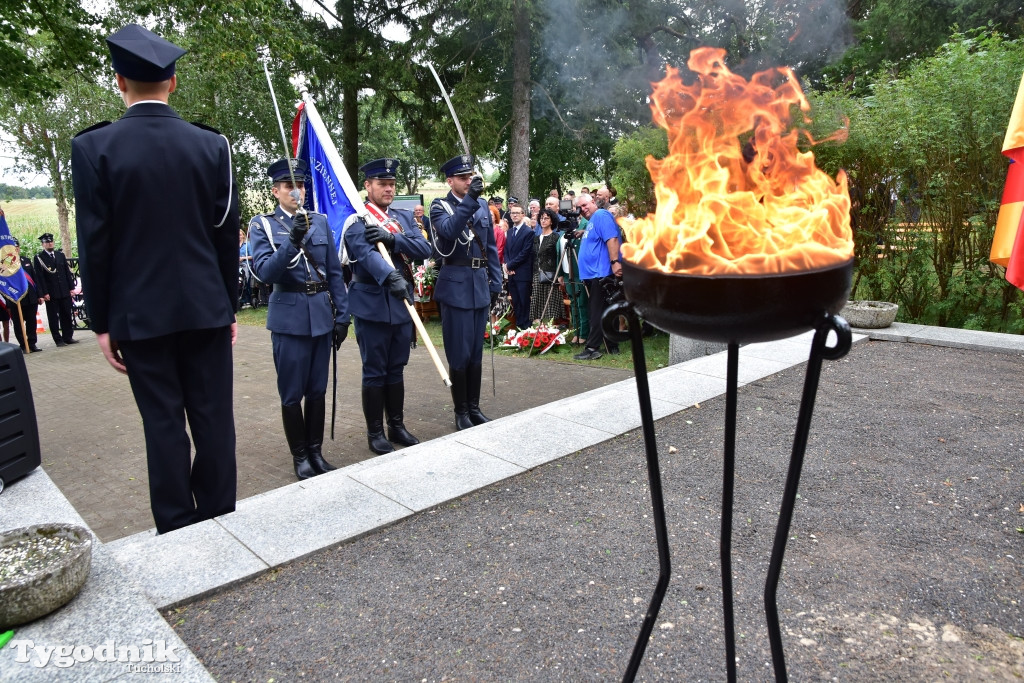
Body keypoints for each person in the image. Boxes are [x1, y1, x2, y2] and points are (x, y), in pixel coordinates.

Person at [71, 24, 239, 534]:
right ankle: (218, 519)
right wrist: (228, 305)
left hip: (138, 314)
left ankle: (176, 528)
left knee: (163, 422)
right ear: (173, 81)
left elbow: (94, 242)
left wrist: (101, 321)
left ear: (119, 81)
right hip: (206, 309)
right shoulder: (212, 146)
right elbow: (224, 237)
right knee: (213, 421)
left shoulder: (94, 148)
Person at [249, 157, 350, 480]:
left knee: (317, 389)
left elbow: (334, 272)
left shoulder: (319, 221)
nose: (298, 191)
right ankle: (300, 456)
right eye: (290, 185)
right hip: (289, 317)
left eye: (302, 184)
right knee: (292, 392)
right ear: (276, 191)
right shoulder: (262, 225)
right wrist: (292, 240)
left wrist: (343, 315)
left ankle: (317, 452)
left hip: (321, 314)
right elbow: (264, 272)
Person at [342, 158, 431, 455]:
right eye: (382, 184)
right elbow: (364, 254)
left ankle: (396, 425)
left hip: (400, 302)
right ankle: (375, 432)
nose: (389, 189)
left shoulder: (404, 218)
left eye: (392, 184)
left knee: (396, 368)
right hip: (372, 303)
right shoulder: (358, 218)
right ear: (368, 186)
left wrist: (392, 238)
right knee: (375, 370)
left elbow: (423, 249)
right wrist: (388, 275)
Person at [429, 155, 502, 430]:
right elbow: (448, 231)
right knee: (459, 354)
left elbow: (490, 248)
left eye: (470, 177)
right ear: (450, 181)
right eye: (462, 178)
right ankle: (460, 412)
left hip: (479, 285)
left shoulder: (483, 205)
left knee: (475, 353)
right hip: (456, 286)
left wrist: (495, 282)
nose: (468, 181)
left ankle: (474, 407)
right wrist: (469, 199)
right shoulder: (440, 206)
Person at [574, 192, 622, 360]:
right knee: (606, 310)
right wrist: (583, 231)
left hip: (601, 273)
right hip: (594, 273)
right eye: (579, 208)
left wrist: (615, 261)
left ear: (593, 201)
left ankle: (593, 347)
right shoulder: (592, 221)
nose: (582, 209)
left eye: (585, 205)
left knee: (596, 311)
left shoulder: (601, 214)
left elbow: (612, 239)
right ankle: (612, 344)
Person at [33, 233, 78, 346]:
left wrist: (71, 288)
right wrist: (44, 293)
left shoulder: (59, 255)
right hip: (51, 293)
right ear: (43, 244)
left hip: (64, 290)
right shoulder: (39, 258)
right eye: (47, 242)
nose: (50, 243)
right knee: (53, 317)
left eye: (51, 241)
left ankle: (68, 337)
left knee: (66, 315)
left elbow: (66, 273)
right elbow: (40, 277)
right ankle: (58, 339)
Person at [6, 238, 43, 353]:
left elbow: (35, 278)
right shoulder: (6, 264)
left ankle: (32, 343)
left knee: (32, 322)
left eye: (17, 246)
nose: (16, 249)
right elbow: (5, 284)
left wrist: (39, 295)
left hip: (30, 298)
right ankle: (23, 344)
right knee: (18, 324)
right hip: (16, 299)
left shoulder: (26, 260)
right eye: (13, 247)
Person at [529, 208, 565, 324]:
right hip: (536, 273)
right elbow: (534, 257)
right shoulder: (536, 238)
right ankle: (538, 328)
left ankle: (550, 329)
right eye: (541, 218)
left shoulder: (555, 238)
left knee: (550, 303)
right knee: (537, 301)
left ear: (551, 221)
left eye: (546, 218)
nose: (543, 220)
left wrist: (559, 275)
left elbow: (559, 257)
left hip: (550, 274)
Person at [503, 202, 534, 330]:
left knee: (524, 301)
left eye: (517, 213)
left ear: (523, 214)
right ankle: (519, 326)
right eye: (512, 213)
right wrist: (507, 267)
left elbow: (525, 253)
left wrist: (510, 265)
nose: (514, 215)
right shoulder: (510, 232)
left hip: (522, 272)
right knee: (516, 301)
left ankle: (526, 327)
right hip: (511, 273)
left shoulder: (528, 232)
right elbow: (507, 250)